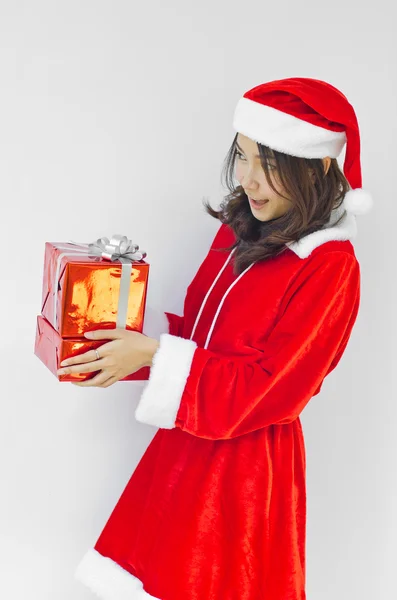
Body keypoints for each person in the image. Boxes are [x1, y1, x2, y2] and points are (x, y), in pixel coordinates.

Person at [69, 77, 373, 599]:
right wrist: (124, 354)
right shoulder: (240, 231)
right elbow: (202, 335)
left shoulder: (329, 266)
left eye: (271, 165)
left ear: (319, 167)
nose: (251, 182)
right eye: (245, 158)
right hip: (187, 447)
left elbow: (272, 389)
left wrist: (158, 357)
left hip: (247, 472)